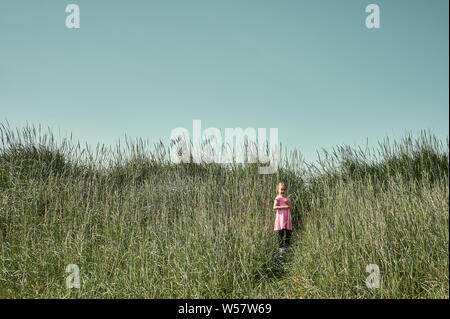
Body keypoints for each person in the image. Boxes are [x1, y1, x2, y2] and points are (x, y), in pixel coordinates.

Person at [273, 182, 293, 253]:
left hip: (287, 217)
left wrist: (288, 203)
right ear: (278, 189)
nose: (282, 191)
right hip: (281, 217)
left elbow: (290, 208)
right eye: (281, 189)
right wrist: (284, 206)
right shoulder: (277, 198)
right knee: (281, 232)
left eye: (284, 190)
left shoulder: (287, 198)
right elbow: (274, 207)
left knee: (288, 231)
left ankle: (287, 246)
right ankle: (280, 247)